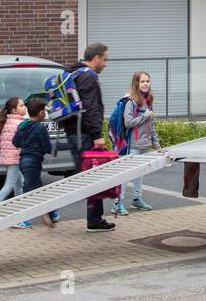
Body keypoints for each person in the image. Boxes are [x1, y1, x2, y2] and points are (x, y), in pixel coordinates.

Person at [65, 42, 116, 231]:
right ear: (96, 58)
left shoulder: (73, 72)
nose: (106, 63)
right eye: (105, 59)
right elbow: (90, 108)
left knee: (90, 177)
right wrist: (96, 135)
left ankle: (94, 219)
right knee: (94, 178)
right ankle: (94, 220)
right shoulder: (88, 76)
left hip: (73, 133)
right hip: (85, 135)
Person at [110, 70, 162, 215]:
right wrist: (144, 116)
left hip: (144, 144)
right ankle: (117, 203)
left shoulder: (148, 100)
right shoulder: (131, 101)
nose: (145, 84)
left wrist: (157, 145)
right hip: (132, 145)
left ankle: (136, 199)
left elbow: (152, 125)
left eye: (147, 81)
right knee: (126, 175)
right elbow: (128, 123)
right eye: (142, 81)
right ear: (136, 83)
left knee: (140, 173)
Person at [13, 97, 58, 228]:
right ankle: (25, 219)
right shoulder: (40, 128)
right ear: (40, 113)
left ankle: (52, 213)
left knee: (38, 188)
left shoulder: (22, 125)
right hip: (34, 162)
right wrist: (52, 149)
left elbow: (15, 142)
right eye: (44, 111)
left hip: (23, 161)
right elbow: (46, 147)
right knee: (29, 191)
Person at [0, 97, 25, 207]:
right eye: (22, 105)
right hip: (14, 158)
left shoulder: (8, 121)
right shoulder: (19, 123)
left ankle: (20, 209)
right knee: (10, 184)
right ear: (14, 110)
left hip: (8, 158)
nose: (25, 108)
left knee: (19, 184)